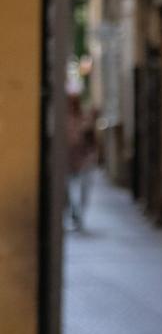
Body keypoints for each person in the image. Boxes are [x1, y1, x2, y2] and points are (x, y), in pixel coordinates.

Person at [65, 90, 97, 231]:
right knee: (70, 190)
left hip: (84, 160)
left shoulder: (84, 119)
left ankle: (79, 215)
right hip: (69, 160)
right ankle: (75, 213)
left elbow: (91, 140)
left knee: (83, 189)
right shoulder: (64, 120)